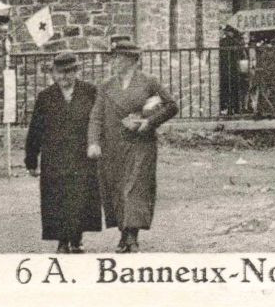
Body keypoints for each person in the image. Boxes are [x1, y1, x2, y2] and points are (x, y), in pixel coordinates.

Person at [87, 39, 178, 253]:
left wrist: (149, 122)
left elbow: (171, 106)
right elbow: (96, 117)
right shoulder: (106, 86)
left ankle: (131, 236)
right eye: (114, 58)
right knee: (117, 189)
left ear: (132, 60)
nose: (114, 61)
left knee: (135, 189)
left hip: (140, 144)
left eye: (118, 57)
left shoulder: (149, 82)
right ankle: (123, 232)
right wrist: (93, 142)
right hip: (113, 145)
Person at [25, 52, 103, 253]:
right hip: (54, 156)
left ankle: (76, 238)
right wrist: (31, 159)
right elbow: (35, 130)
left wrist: (98, 146)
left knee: (79, 197)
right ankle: (61, 240)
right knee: (57, 197)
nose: (63, 77)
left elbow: (99, 122)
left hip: (81, 156)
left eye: (68, 73)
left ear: (76, 71)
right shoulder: (46, 97)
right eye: (59, 73)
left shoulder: (90, 92)